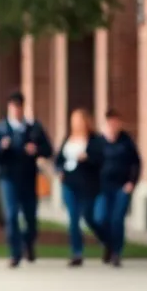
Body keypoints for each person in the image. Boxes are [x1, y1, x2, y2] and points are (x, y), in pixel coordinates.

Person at [0, 91, 54, 268]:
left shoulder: (33, 128)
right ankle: (14, 253)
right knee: (11, 215)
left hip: (28, 177)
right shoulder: (1, 129)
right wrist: (2, 147)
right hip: (8, 177)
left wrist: (36, 149)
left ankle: (28, 244)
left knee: (30, 216)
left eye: (19, 107)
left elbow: (48, 149)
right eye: (13, 107)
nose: (16, 111)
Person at [54, 108, 105, 267]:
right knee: (73, 219)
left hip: (87, 184)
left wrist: (87, 158)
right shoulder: (68, 139)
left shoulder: (95, 140)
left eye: (79, 120)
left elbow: (101, 159)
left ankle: (105, 239)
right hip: (69, 183)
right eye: (74, 120)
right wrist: (59, 170)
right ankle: (77, 252)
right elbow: (59, 159)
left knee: (89, 217)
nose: (77, 124)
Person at [95, 108, 141, 267]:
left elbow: (136, 162)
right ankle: (107, 243)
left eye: (116, 122)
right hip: (102, 186)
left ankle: (116, 252)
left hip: (121, 186)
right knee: (100, 218)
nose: (114, 125)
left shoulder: (126, 141)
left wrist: (132, 182)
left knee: (117, 219)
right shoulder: (99, 141)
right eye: (111, 122)